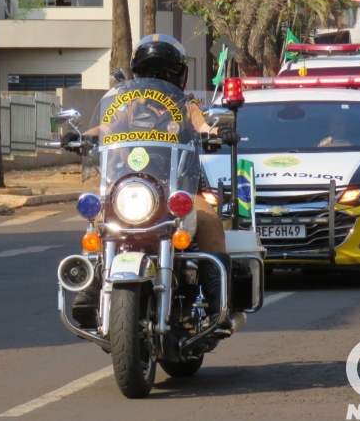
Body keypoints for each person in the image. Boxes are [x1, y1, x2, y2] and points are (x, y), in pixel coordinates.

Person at [66, 34, 240, 328]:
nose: (157, 79)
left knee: (209, 222)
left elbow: (204, 127)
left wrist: (217, 134)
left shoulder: (187, 106)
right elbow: (106, 125)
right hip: (130, 188)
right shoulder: (128, 107)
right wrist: (81, 137)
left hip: (178, 189)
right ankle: (89, 288)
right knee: (97, 218)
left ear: (178, 77)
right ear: (138, 76)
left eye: (164, 74)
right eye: (149, 73)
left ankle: (217, 303)